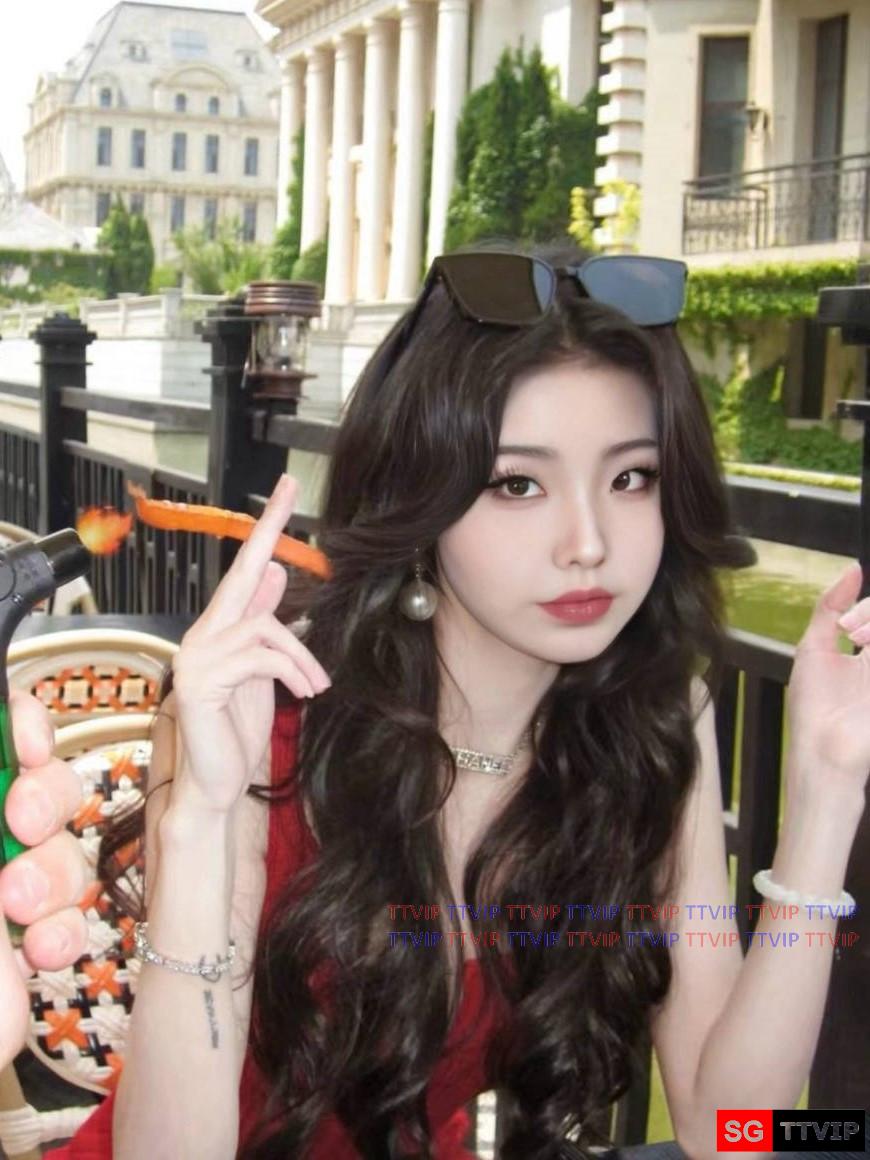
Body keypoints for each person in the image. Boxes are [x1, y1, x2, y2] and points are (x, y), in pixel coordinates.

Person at [2, 246, 869, 1160]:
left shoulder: (648, 724)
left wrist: (828, 787)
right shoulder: (269, 714)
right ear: (424, 497)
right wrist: (200, 822)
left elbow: (732, 1130)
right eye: (518, 484)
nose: (589, 543)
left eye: (631, 478)